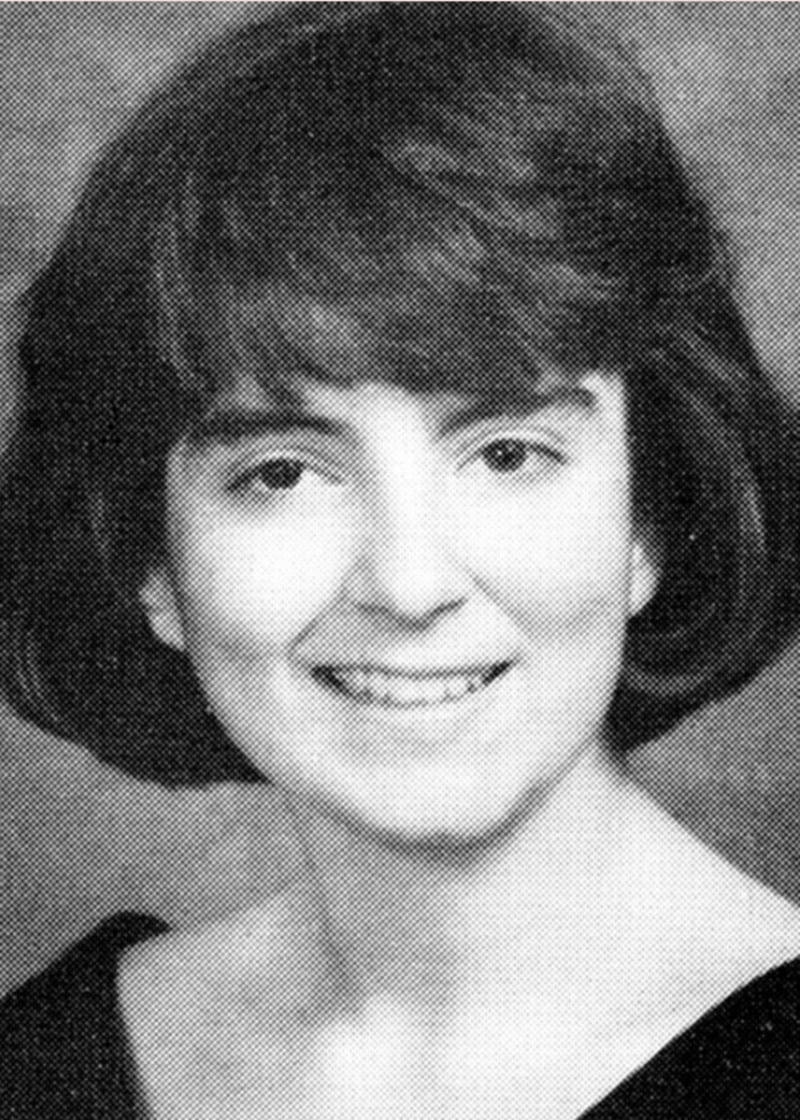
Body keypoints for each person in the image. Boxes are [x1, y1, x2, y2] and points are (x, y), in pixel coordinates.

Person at [2, 4, 800, 1118]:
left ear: (651, 520)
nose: (410, 581)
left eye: (507, 451)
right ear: (146, 561)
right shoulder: (46, 1066)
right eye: (280, 471)